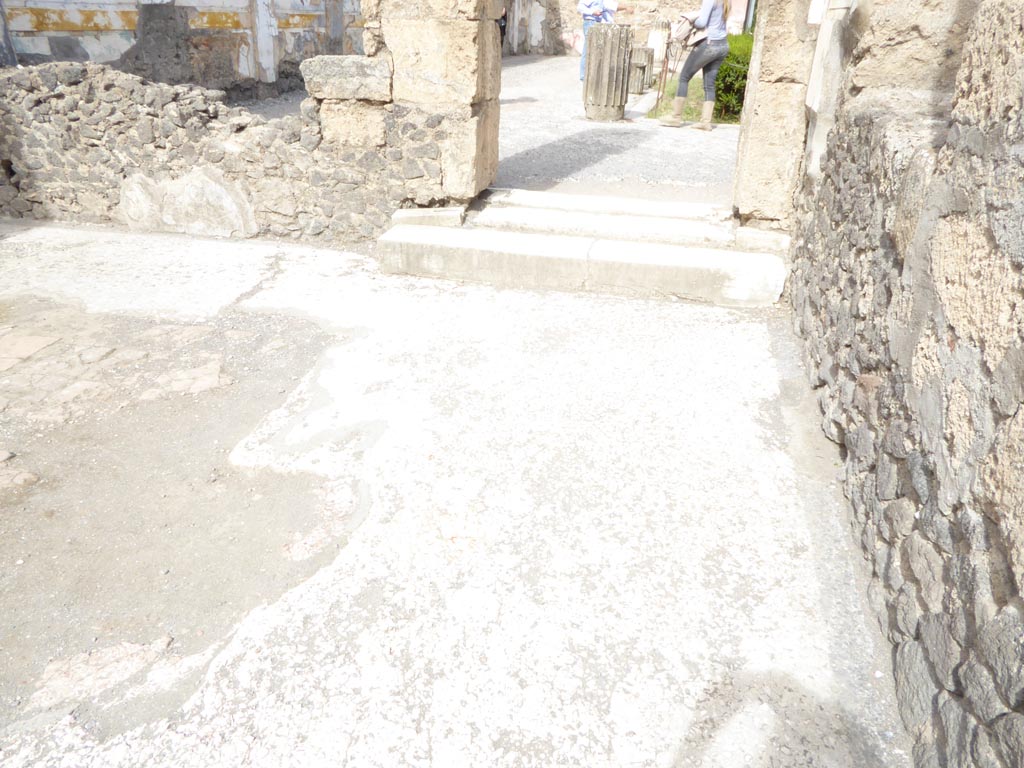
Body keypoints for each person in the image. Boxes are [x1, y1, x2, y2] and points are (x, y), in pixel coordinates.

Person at [660, 0, 731, 130]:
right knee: (709, 84)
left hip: (709, 44)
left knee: (684, 77)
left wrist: (692, 19)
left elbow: (702, 22)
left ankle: (676, 117)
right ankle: (705, 122)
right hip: (723, 45)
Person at [577, 0, 604, 81]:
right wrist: (592, 12)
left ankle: (591, 74)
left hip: (596, 23)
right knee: (588, 49)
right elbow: (580, 7)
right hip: (590, 23)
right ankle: (583, 76)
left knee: (594, 49)